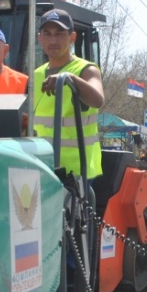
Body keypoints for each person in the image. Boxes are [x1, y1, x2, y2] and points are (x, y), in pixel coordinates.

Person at [31, 9, 106, 180]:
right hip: (42, 167)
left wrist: (69, 79)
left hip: (77, 173)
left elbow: (97, 99)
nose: (53, 40)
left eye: (59, 34)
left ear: (72, 37)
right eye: (47, 34)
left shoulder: (86, 70)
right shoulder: (35, 75)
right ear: (40, 38)